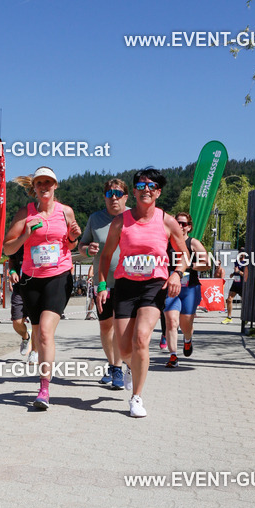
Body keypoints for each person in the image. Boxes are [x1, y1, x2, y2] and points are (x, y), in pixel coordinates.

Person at [97, 169, 190, 417]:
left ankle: (136, 398)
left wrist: (177, 273)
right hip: (125, 286)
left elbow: (184, 255)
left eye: (151, 186)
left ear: (158, 192)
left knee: (141, 339)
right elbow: (106, 256)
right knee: (124, 349)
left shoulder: (167, 221)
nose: (146, 190)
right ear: (135, 192)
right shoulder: (121, 222)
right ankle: (130, 365)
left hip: (154, 285)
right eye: (141, 185)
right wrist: (102, 286)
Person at [3, 167, 81, 409]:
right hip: (31, 280)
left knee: (46, 332)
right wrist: (25, 234)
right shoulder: (25, 213)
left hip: (59, 276)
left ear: (55, 185)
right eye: (40, 183)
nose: (44, 186)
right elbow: (7, 248)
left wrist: (73, 238)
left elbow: (71, 244)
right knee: (37, 333)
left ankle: (44, 388)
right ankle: (42, 378)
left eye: (49, 182)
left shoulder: (65, 212)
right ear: (34, 187)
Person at [79, 178, 129, 390]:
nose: (114, 198)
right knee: (106, 326)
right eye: (109, 194)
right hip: (103, 283)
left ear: (126, 197)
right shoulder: (95, 218)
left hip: (127, 282)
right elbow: (81, 246)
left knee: (119, 326)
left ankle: (117, 367)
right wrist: (87, 250)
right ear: (104, 197)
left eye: (118, 194)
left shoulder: (133, 217)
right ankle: (112, 363)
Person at [163, 211, 210, 367]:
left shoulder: (193, 243)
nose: (180, 226)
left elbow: (207, 264)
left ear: (189, 227)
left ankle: (187, 339)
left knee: (186, 324)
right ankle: (173, 356)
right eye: (177, 222)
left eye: (183, 224)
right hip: (171, 287)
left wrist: (189, 266)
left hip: (190, 288)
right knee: (171, 321)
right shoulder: (166, 242)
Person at [8, 244, 38, 362]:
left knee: (36, 322)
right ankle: (26, 337)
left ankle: (34, 352)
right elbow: (11, 260)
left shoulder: (41, 241)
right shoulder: (19, 241)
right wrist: (12, 272)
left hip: (37, 287)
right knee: (17, 322)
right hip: (20, 287)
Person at [222, 252, 248, 323]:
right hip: (235, 283)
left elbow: (246, 274)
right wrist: (233, 274)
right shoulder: (236, 261)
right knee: (229, 299)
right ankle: (229, 317)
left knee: (244, 302)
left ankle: (246, 318)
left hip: (242, 285)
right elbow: (236, 271)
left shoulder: (246, 262)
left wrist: (238, 271)